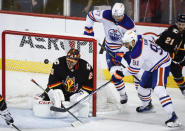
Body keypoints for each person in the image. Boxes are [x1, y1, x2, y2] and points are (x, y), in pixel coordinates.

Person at [110, 30, 181, 127]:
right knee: (142, 89)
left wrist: (120, 73)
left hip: (162, 64)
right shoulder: (140, 37)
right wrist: (120, 53)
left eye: (127, 44)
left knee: (159, 89)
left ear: (133, 42)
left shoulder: (137, 52)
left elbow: (133, 70)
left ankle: (173, 117)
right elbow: (154, 37)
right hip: (152, 65)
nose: (126, 46)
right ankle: (148, 105)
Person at [83, 2, 136, 104]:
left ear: (123, 14)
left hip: (127, 50)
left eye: (118, 16)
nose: (116, 18)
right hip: (111, 50)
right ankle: (123, 94)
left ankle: (146, 99)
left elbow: (131, 43)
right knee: (114, 74)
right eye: (114, 16)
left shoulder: (129, 25)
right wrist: (88, 29)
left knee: (137, 72)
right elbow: (91, 15)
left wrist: (120, 54)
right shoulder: (106, 14)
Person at [32, 48, 93, 118]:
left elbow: (89, 85)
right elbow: (52, 80)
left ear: (77, 61)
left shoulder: (86, 67)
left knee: (78, 100)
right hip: (61, 89)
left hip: (75, 92)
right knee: (56, 95)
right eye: (68, 60)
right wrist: (57, 91)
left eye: (72, 62)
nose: (69, 63)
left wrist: (82, 94)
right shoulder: (59, 63)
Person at [155, 14, 185, 96]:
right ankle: (183, 88)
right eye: (179, 24)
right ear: (176, 23)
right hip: (174, 55)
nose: (181, 26)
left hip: (180, 55)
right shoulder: (172, 30)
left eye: (183, 24)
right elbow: (162, 40)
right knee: (176, 72)